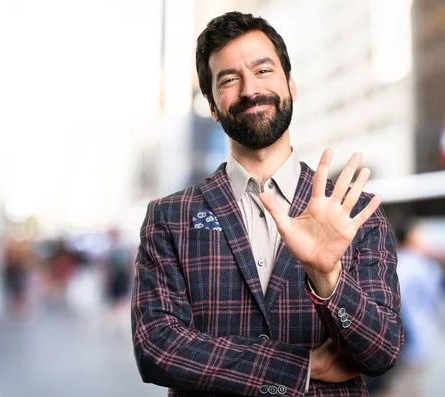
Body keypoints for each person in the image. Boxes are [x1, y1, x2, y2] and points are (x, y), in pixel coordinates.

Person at [131, 11, 403, 397]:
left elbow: (382, 352)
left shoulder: (352, 213)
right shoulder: (169, 217)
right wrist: (302, 366)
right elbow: (158, 347)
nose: (249, 90)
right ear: (211, 105)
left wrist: (328, 279)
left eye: (263, 71)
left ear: (290, 84)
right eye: (228, 79)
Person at [372, 219, 443, 397]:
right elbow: (434, 303)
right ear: (412, 236)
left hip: (395, 343)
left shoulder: (391, 264)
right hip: (420, 339)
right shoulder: (429, 267)